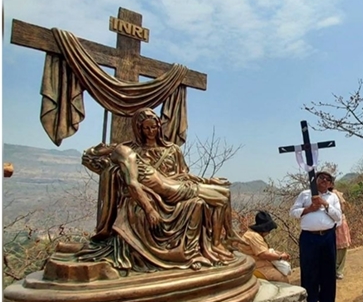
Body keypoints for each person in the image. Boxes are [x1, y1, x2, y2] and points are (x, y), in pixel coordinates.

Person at [71, 108, 242, 272]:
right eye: (146, 128)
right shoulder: (127, 154)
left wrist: (208, 180)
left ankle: (224, 239)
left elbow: (183, 175)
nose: (151, 131)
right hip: (170, 192)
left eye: (154, 126)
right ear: (139, 129)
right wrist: (150, 209)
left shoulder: (167, 150)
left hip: (176, 186)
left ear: (159, 126)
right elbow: (130, 183)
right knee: (223, 196)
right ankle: (221, 242)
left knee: (223, 194)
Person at [290, 171, 342, 302]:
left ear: (331, 184)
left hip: (327, 237)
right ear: (315, 180)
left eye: (327, 179)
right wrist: (309, 209)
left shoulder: (332, 197)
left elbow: (338, 217)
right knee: (309, 272)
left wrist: (325, 204)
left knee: (328, 272)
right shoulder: (305, 195)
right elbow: (293, 212)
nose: (324, 181)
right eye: (321, 178)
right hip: (309, 238)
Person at [238, 211, 291, 283]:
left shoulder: (253, 235)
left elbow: (266, 250)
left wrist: (278, 253)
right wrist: (280, 257)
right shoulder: (253, 236)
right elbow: (263, 254)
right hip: (257, 267)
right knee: (282, 280)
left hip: (260, 265)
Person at [329, 183, 351, 280]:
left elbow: (343, 207)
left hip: (339, 222)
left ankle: (339, 270)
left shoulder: (335, 193)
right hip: (329, 223)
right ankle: (335, 269)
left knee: (342, 246)